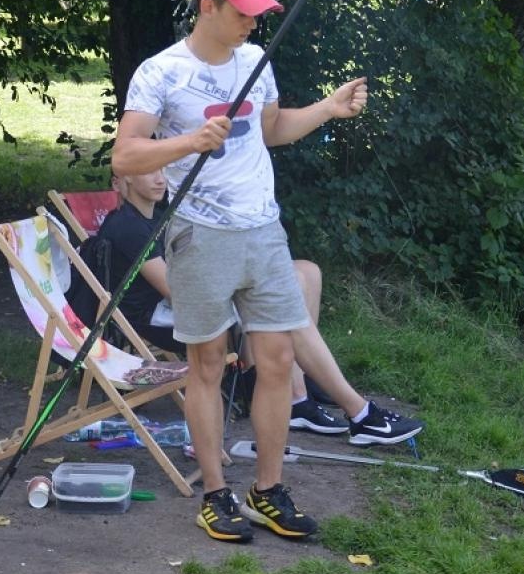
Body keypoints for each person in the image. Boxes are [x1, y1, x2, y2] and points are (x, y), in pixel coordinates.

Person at [113, 0, 415, 543]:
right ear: (208, 6)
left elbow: (271, 130)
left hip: (264, 232)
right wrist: (189, 142)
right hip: (200, 236)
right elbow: (125, 156)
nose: (254, 23)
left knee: (276, 362)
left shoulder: (255, 61)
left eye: (260, 12)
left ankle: (267, 491)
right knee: (207, 366)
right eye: (244, 12)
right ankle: (216, 493)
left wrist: (328, 108)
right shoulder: (161, 72)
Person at [75, 168, 423, 443]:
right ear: (121, 182)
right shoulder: (128, 227)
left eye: (162, 169)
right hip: (165, 317)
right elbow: (175, 291)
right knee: (280, 296)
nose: (159, 177)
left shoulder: (162, 216)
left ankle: (296, 389)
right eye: (148, 171)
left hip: (190, 299)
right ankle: (313, 401)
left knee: (307, 273)